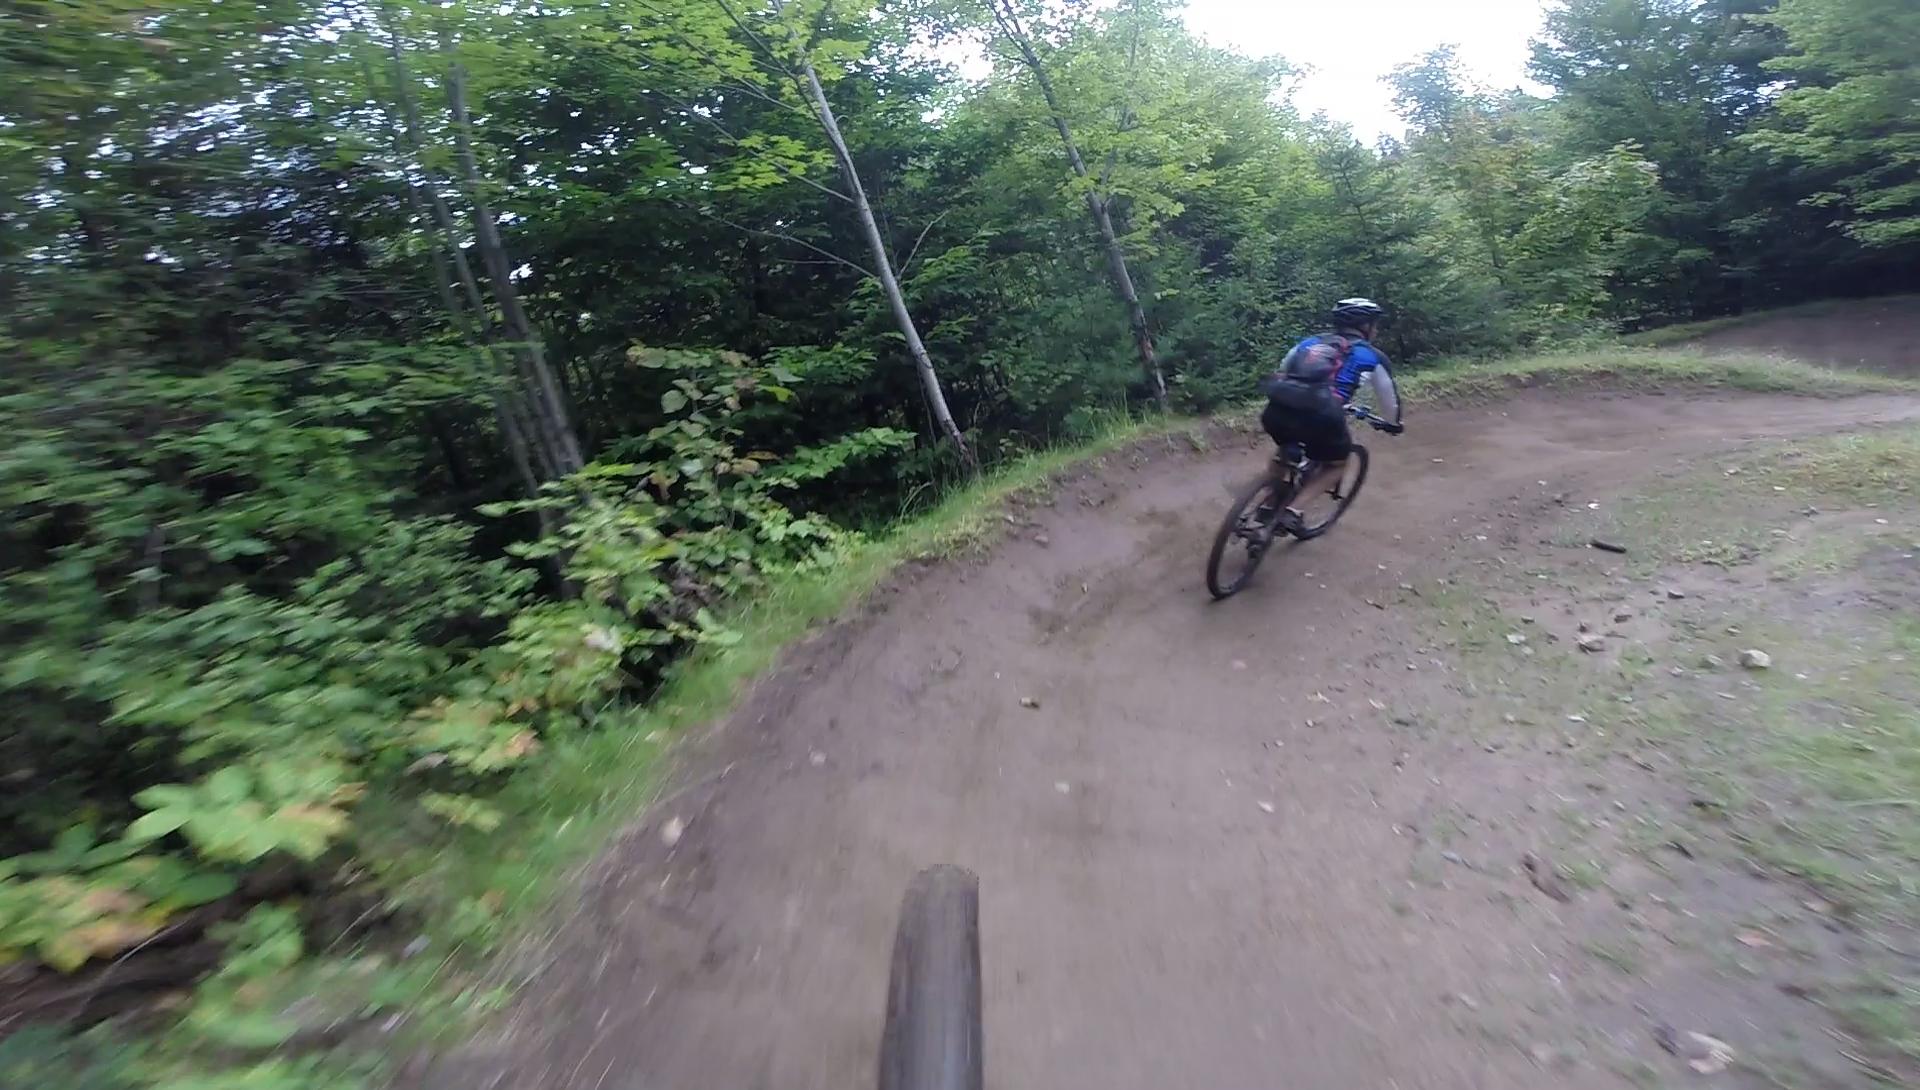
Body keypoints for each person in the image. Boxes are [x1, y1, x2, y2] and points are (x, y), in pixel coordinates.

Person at [1259, 297, 1404, 532]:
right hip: (1323, 415)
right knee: (1337, 463)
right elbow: (1389, 399)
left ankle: (1268, 501)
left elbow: (1284, 369)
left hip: (1278, 407)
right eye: (1374, 324)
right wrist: (1393, 423)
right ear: (1364, 326)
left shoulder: (1308, 344)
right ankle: (1293, 511)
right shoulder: (1371, 356)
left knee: (1285, 448)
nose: (1376, 330)